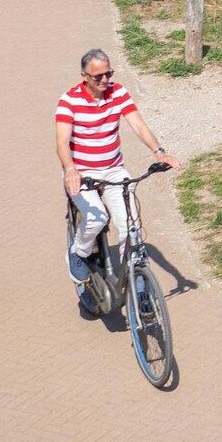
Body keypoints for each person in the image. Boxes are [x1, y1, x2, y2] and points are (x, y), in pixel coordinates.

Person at [56, 48, 173, 283]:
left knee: (130, 226)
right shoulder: (69, 101)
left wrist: (159, 153)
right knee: (96, 219)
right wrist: (70, 169)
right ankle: (78, 253)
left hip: (114, 170)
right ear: (84, 76)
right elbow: (61, 142)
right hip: (83, 173)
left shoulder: (118, 92)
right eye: (97, 76)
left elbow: (138, 125)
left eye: (108, 74)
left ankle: (136, 285)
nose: (104, 80)